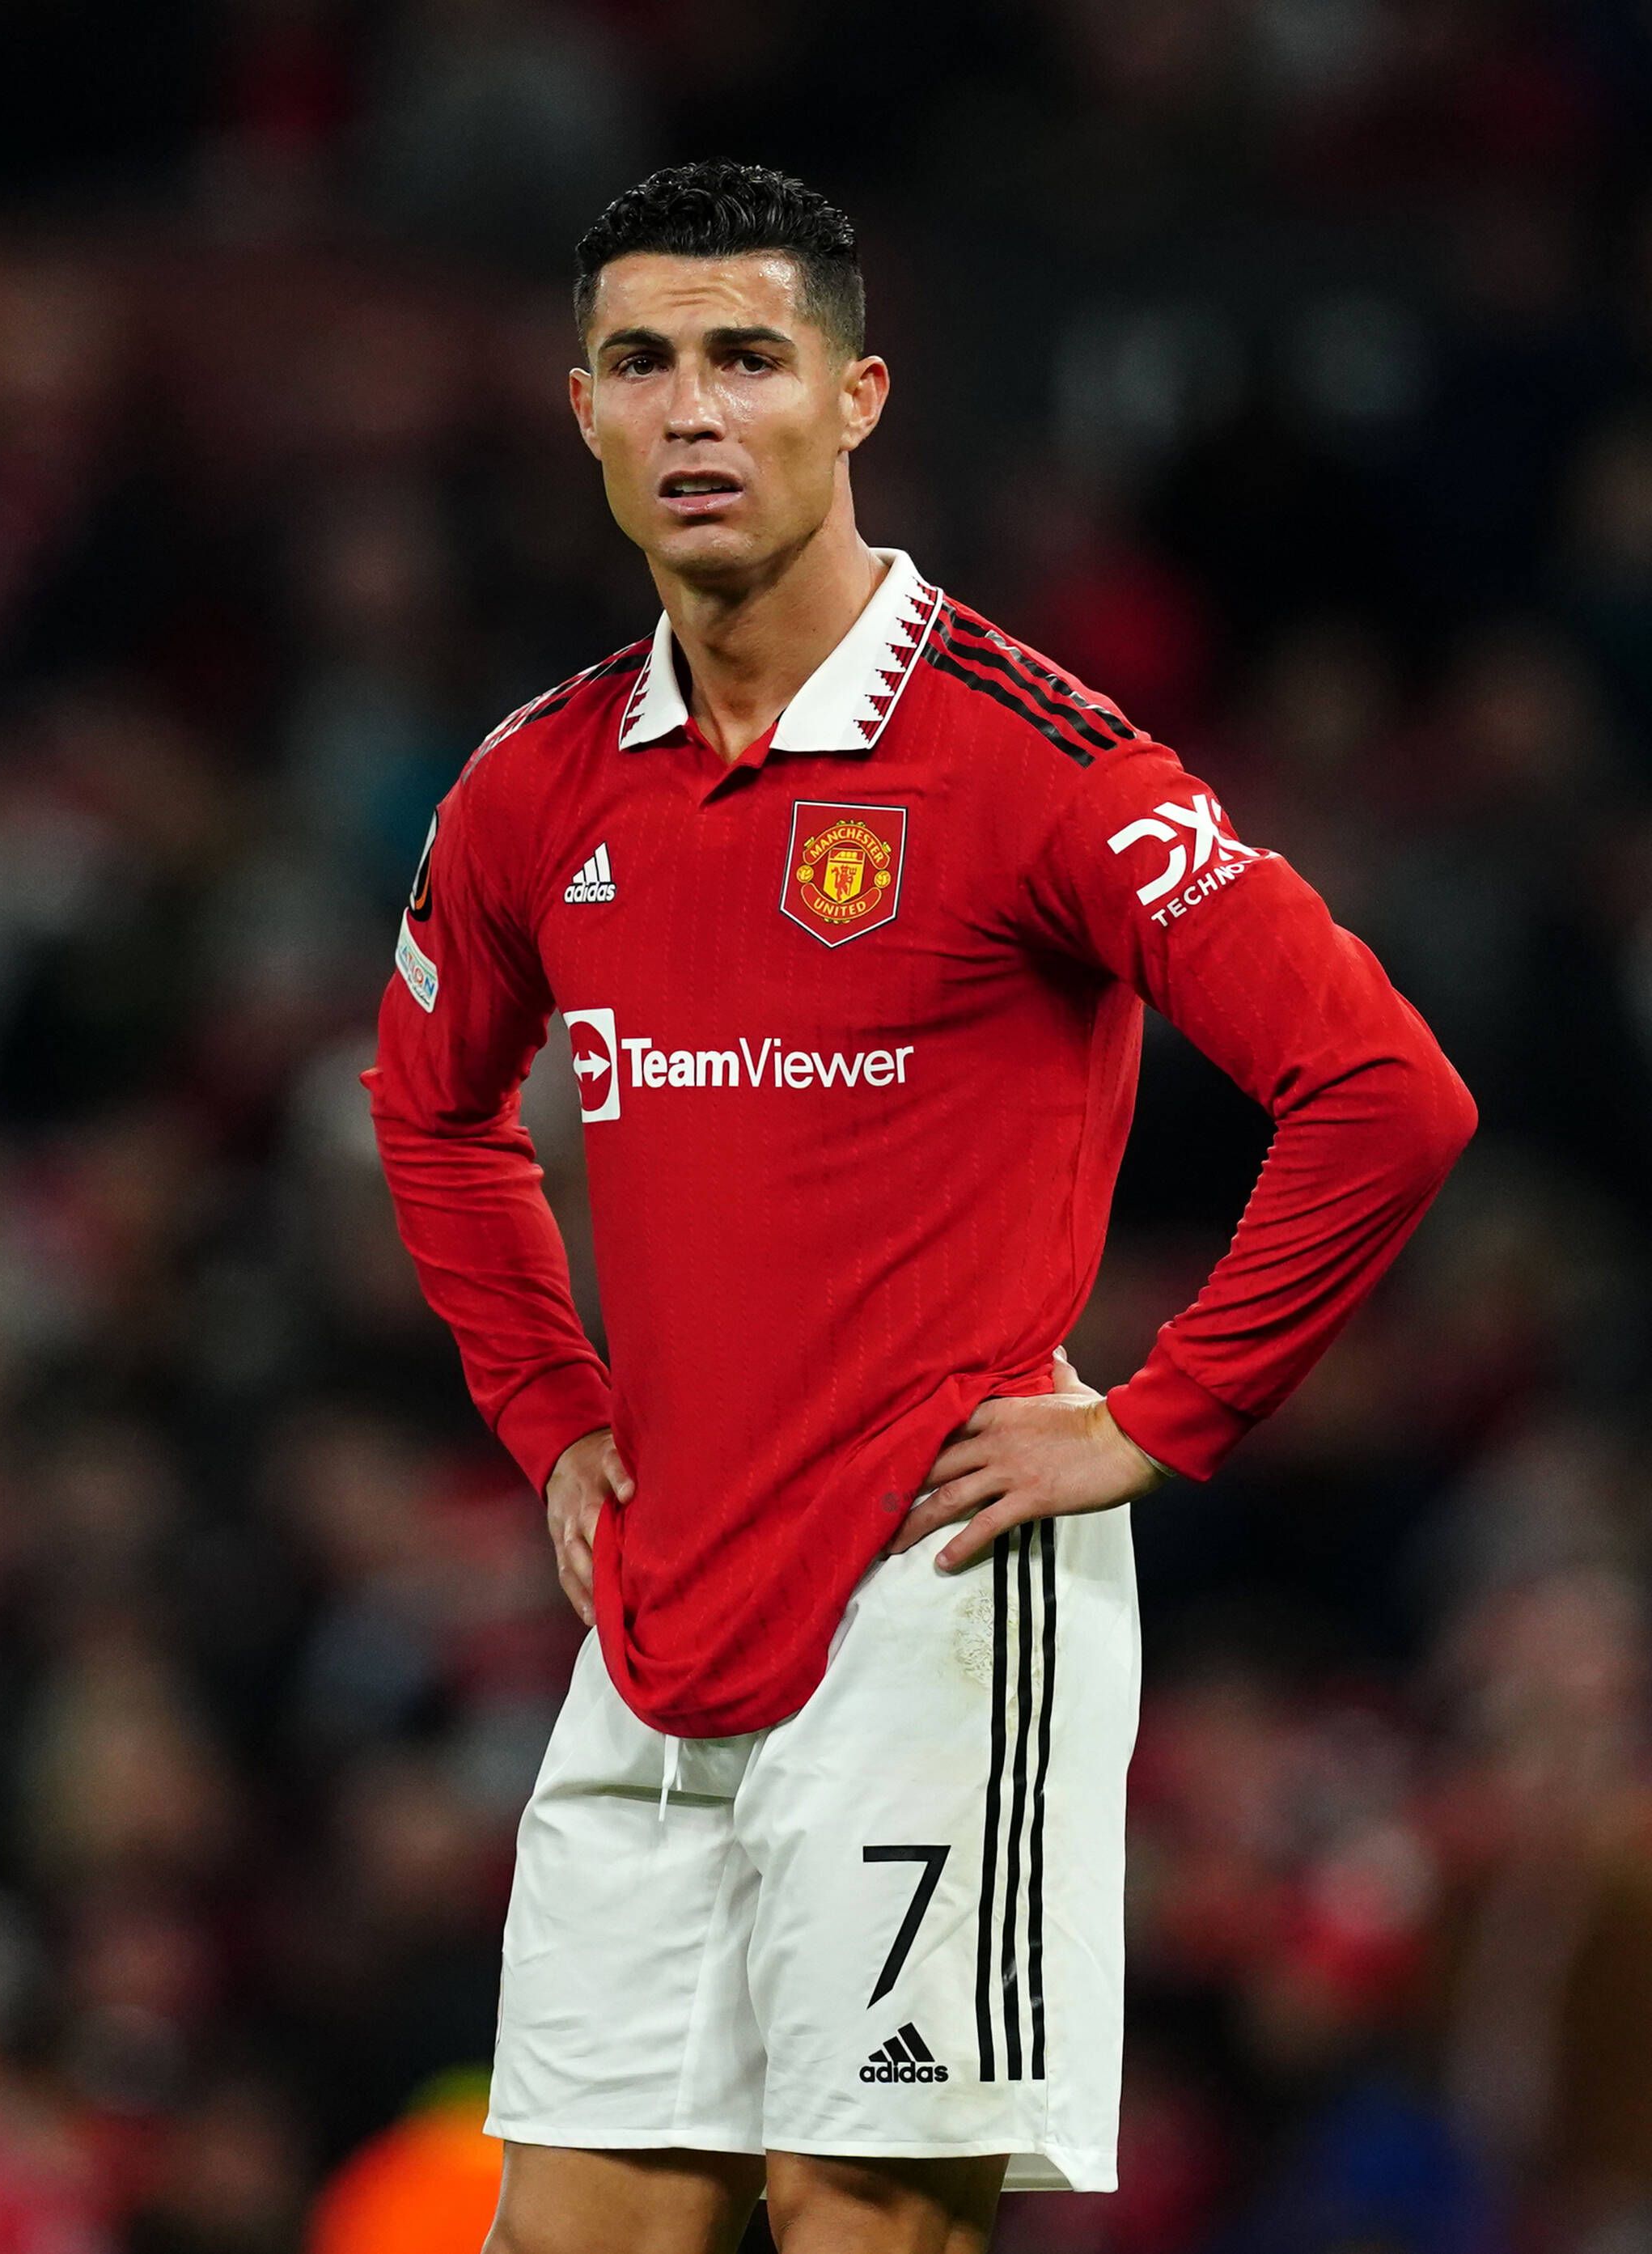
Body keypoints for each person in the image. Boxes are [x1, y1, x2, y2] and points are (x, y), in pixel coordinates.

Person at [363, 160, 1477, 2254]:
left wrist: (1160, 1417)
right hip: (658, 1608)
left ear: (858, 398)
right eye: (642, 364)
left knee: (862, 2226)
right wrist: (546, 1413)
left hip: (931, 1600)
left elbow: (1387, 1093)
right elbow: (432, 1112)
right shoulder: (532, 786)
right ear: (579, 411)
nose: (694, 412)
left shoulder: (1032, 757)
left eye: (747, 359)